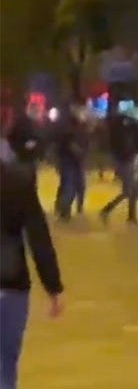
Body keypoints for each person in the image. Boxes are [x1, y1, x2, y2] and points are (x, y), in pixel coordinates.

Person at [1, 158, 65, 388]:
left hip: (12, 284)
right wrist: (53, 287)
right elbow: (39, 239)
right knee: (6, 367)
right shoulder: (18, 181)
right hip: (11, 283)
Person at [100, 109, 138, 225]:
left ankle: (130, 216)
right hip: (125, 161)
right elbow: (125, 147)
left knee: (133, 190)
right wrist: (132, 152)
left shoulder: (120, 129)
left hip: (125, 161)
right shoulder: (121, 131)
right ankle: (107, 210)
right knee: (129, 191)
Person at [52, 106, 89, 221]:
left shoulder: (81, 131)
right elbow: (69, 146)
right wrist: (80, 153)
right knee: (69, 187)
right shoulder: (69, 131)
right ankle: (64, 210)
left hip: (74, 162)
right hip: (68, 162)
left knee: (75, 186)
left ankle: (67, 207)